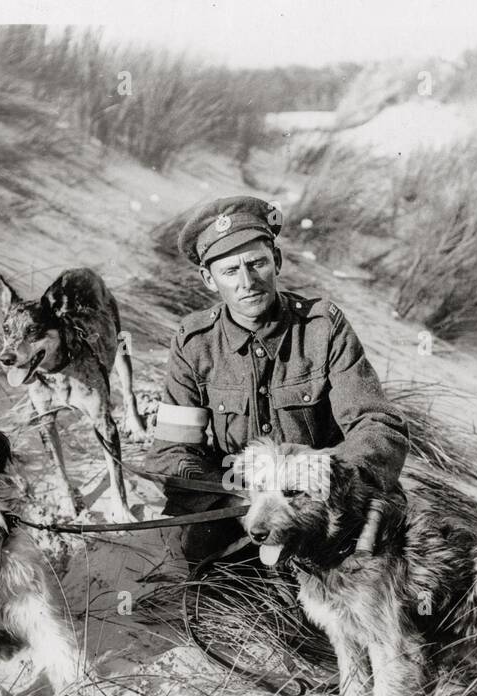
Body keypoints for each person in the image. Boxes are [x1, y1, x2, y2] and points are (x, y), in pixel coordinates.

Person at [146, 195, 409, 564]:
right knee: (195, 547)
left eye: (257, 264)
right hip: (241, 505)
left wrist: (327, 479)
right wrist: (233, 492)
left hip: (321, 506)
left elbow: (379, 425)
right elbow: (170, 453)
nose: (247, 282)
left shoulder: (322, 327)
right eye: (230, 271)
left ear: (277, 261)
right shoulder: (194, 343)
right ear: (209, 279)